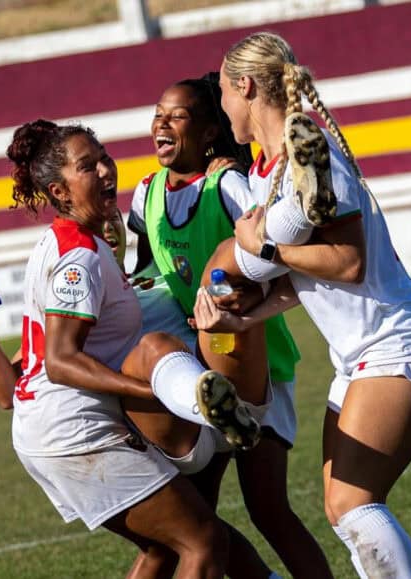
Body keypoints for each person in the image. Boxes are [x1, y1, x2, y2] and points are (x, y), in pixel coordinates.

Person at [0, 118, 274, 578]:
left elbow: (7, 392)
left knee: (164, 549)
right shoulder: (79, 259)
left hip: (42, 431)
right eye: (87, 167)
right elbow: (60, 363)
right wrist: (148, 392)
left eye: (103, 157)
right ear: (60, 192)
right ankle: (199, 402)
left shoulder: (58, 246)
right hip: (76, 431)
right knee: (203, 541)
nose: (105, 170)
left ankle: (201, 404)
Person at [192, 32, 411, 578]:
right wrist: (253, 314)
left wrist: (263, 246)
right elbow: (305, 278)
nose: (221, 107)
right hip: (360, 353)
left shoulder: (310, 150)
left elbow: (349, 263)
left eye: (222, 91)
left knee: (353, 504)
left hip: (398, 341)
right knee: (344, 510)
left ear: (244, 87)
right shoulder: (269, 172)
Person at [128, 74, 333, 578]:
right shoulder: (146, 194)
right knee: (194, 521)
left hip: (255, 361)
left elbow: (274, 254)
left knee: (268, 511)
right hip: (201, 371)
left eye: (177, 115)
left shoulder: (228, 185)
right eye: (158, 112)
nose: (162, 122)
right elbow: (147, 272)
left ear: (208, 134)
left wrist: (245, 293)